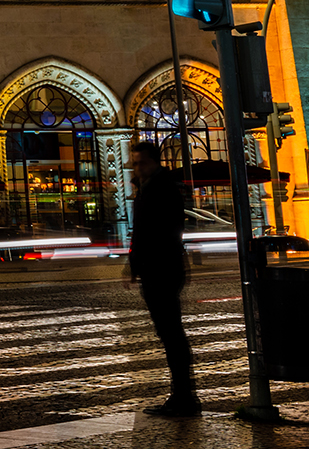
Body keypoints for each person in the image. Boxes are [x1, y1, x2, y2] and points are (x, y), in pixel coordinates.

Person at [126, 142, 198, 417]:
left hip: (162, 268)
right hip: (156, 267)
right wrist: (134, 266)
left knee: (171, 335)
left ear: (155, 162)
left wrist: (143, 262)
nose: (137, 168)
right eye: (134, 163)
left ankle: (184, 398)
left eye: (141, 163)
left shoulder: (161, 188)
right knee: (169, 334)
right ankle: (182, 396)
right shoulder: (147, 188)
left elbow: (160, 230)